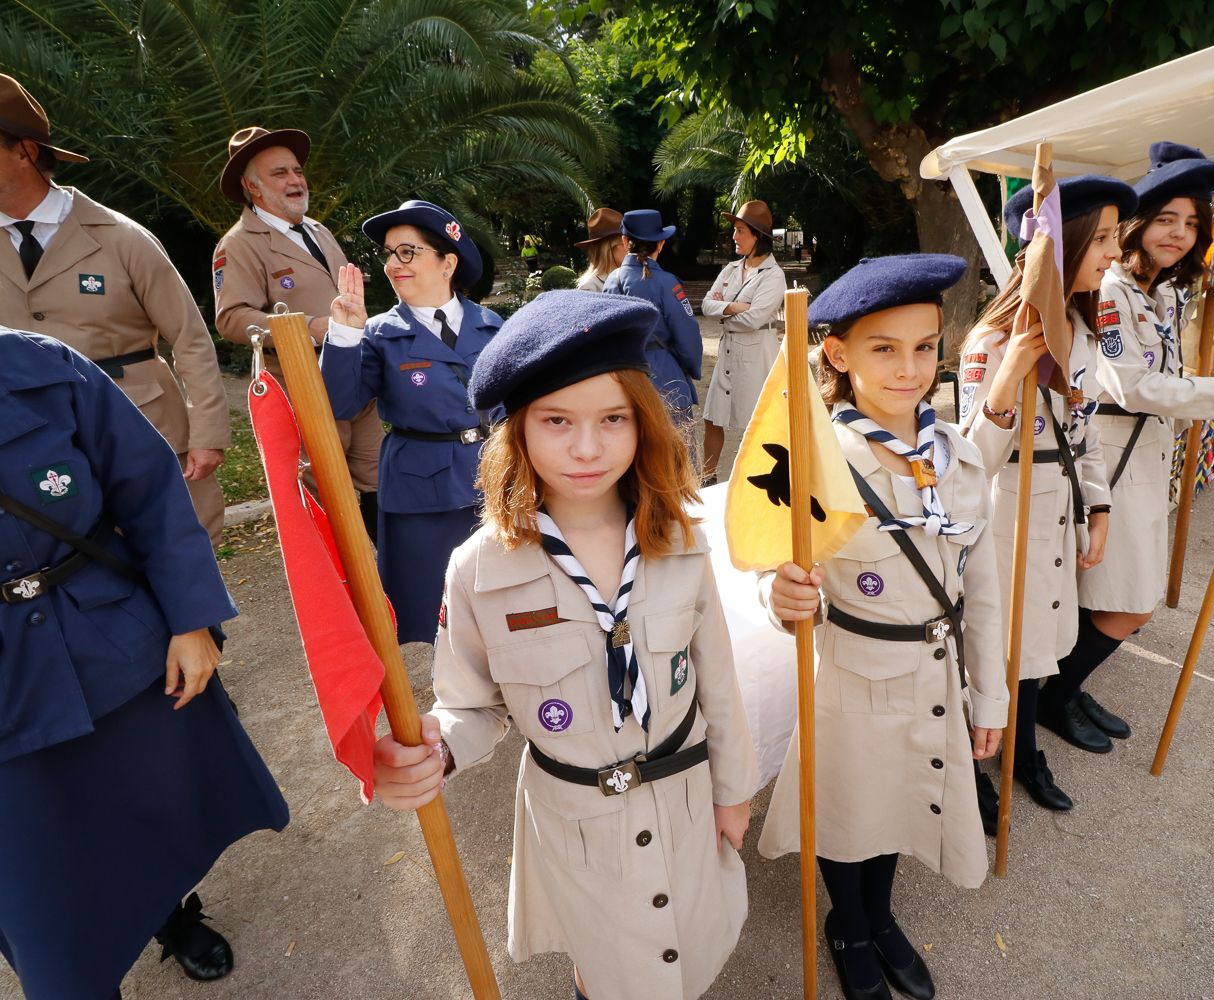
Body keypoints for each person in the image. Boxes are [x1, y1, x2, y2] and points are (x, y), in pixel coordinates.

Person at [372, 290, 758, 1000]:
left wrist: (734, 793)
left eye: (613, 419)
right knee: (609, 969)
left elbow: (718, 680)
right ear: (516, 432)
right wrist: (437, 747)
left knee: (690, 948)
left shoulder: (678, 539)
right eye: (557, 421)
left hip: (686, 798)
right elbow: (472, 706)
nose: (587, 447)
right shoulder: (479, 570)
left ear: (642, 423)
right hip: (576, 823)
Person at [0, 328, 289, 999]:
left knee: (151, 812)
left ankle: (171, 917)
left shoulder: (42, 366)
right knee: (38, 878)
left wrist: (190, 620)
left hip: (114, 644)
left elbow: (150, 489)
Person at [763, 255, 1007, 1000]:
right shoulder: (814, 463)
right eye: (884, 348)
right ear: (837, 354)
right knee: (850, 809)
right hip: (855, 674)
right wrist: (782, 597)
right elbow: (772, 572)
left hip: (935, 674)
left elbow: (984, 590)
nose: (910, 368)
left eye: (925, 346)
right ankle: (849, 922)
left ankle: (883, 915)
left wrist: (989, 696)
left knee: (903, 795)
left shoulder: (958, 458)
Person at [1049, 142, 1214, 752]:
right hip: (1112, 457)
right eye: (1166, 219)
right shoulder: (1110, 290)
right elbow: (1130, 385)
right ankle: (1055, 695)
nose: (1181, 234)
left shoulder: (1158, 292)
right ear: (1136, 223)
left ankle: (1063, 686)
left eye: (1192, 223)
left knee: (1104, 594)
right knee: (1130, 604)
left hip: (1143, 455)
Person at [957, 175, 1138, 813]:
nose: (1116, 252)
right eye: (1106, 238)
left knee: (1035, 651)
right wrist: (1009, 377)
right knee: (996, 650)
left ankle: (1023, 752)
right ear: (1063, 247)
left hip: (1056, 514)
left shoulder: (1078, 333)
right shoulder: (992, 342)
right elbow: (968, 463)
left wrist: (1099, 506)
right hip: (1006, 522)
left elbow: (1082, 438)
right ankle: (975, 771)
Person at [0, 74, 231, 542]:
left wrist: (207, 432)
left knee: (179, 572)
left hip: (144, 426)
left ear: (24, 151)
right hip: (36, 441)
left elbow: (188, 335)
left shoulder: (121, 238)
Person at [321, 200, 505, 644]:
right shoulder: (379, 333)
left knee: (503, 594)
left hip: (494, 475)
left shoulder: (491, 325)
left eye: (407, 252)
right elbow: (339, 404)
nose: (392, 264)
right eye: (388, 253)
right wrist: (344, 332)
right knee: (432, 604)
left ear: (448, 262)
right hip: (423, 488)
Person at [212, 125, 385, 536]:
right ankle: (342, 594)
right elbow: (230, 317)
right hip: (303, 385)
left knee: (380, 485)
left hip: (356, 379)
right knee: (326, 497)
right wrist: (308, 328)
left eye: (296, 170)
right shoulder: (237, 244)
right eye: (279, 173)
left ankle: (390, 586)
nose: (295, 180)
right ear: (252, 187)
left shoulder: (318, 231)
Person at [700, 199, 787, 483]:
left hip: (756, 355)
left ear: (758, 237)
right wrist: (736, 307)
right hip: (728, 351)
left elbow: (755, 319)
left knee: (756, 420)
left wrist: (723, 309)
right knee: (713, 417)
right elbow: (705, 305)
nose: (734, 237)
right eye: (735, 230)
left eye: (740, 231)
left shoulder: (774, 276)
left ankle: (753, 482)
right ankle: (707, 477)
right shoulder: (730, 269)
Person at [603, 210, 703, 443]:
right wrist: (691, 368)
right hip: (666, 376)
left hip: (626, 378)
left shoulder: (612, 280)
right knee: (679, 458)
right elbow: (688, 336)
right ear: (661, 244)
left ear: (625, 241)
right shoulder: (667, 282)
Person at [575, 207, 627, 292]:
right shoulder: (589, 287)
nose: (629, 248)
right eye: (624, 243)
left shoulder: (626, 279)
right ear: (609, 249)